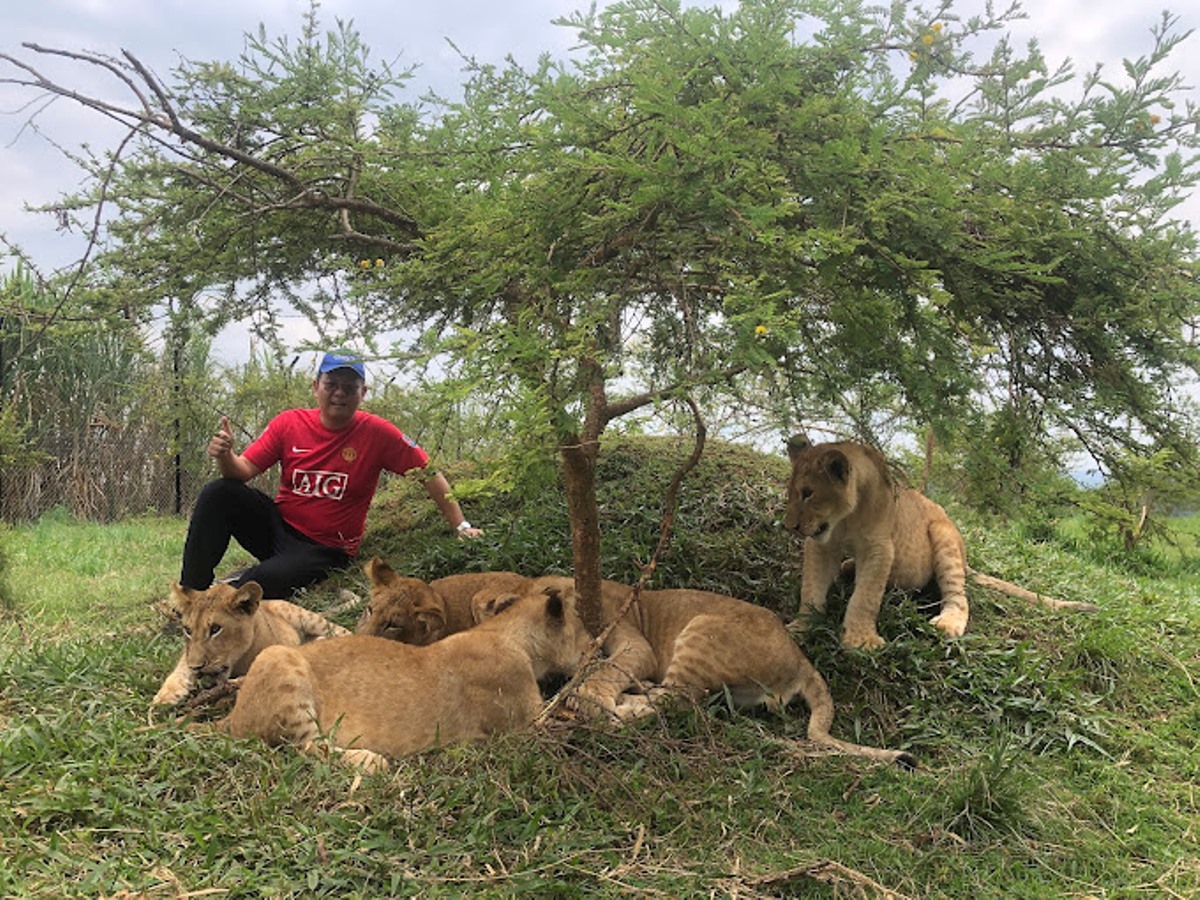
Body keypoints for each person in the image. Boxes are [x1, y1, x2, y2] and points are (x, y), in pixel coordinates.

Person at [179, 349, 483, 598]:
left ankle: (226, 594)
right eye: (331, 384)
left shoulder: (377, 434)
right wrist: (226, 456)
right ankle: (191, 592)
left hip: (325, 548)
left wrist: (461, 526)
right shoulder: (290, 423)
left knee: (261, 582)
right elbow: (242, 472)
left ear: (362, 393)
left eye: (349, 387)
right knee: (219, 492)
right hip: (278, 527)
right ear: (316, 387)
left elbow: (429, 473)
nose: (340, 393)